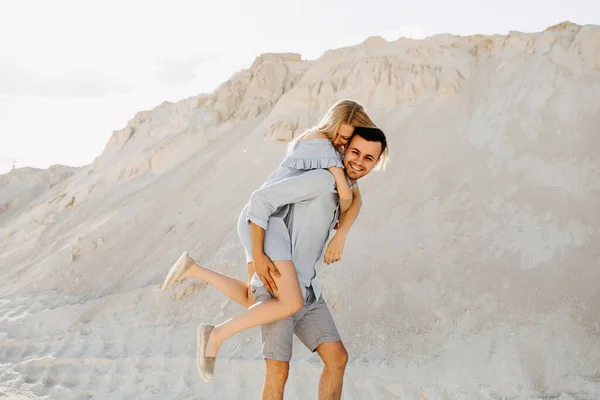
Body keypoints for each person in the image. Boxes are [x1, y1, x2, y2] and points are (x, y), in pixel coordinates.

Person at [161, 100, 380, 381]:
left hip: (261, 217)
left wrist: (342, 231)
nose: (342, 142)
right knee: (290, 302)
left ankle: (193, 269)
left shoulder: (328, 149)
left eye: (348, 139)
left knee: (255, 300)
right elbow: (349, 196)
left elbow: (355, 198)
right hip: (264, 220)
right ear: (331, 126)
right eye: (341, 134)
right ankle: (215, 335)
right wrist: (259, 253)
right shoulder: (320, 144)